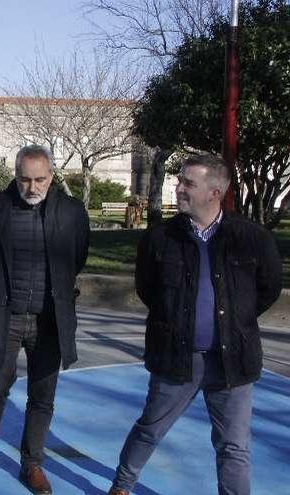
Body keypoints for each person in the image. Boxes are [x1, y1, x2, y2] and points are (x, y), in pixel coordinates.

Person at [107, 155, 282, 495]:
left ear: (215, 192)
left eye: (188, 183)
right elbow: (149, 289)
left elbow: (268, 289)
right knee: (149, 429)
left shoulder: (252, 238)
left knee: (234, 447)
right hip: (177, 357)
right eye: (180, 180)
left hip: (232, 362)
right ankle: (122, 486)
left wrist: (233, 320)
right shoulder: (160, 238)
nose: (179, 187)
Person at [0, 145, 89, 494]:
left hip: (50, 319)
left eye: (40, 179)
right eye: (25, 179)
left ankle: (32, 462)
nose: (32, 187)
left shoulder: (72, 212)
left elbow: (77, 256)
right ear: (15, 175)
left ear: (51, 176)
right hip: (5, 316)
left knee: (42, 395)